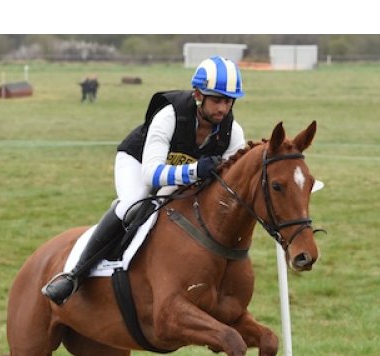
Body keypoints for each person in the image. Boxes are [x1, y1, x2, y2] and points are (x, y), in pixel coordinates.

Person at [42, 56, 247, 305]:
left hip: (179, 173)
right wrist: (195, 170)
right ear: (197, 94)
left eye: (228, 101)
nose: (223, 109)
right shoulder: (169, 115)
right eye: (216, 99)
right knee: (136, 204)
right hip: (138, 162)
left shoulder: (233, 133)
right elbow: (152, 174)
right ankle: (75, 275)